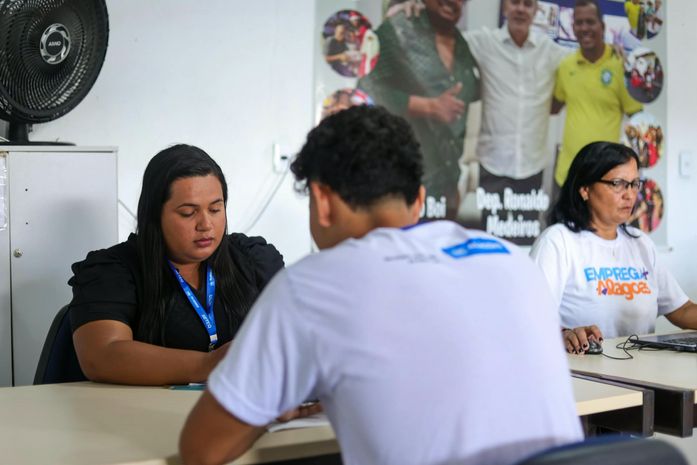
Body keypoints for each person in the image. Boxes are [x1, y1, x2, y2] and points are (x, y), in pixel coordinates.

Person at [179, 106, 582, 465]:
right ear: (419, 199)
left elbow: (202, 450)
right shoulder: (511, 260)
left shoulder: (313, 284)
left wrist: (267, 404)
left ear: (322, 200)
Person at [68, 144, 283, 385]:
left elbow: (295, 333)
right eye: (188, 213)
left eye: (215, 209)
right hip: (138, 415)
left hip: (242, 410)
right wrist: (209, 365)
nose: (206, 224)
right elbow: (102, 356)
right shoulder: (113, 271)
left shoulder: (253, 259)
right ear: (154, 216)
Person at [530, 142, 697, 354]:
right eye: (618, 183)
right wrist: (564, 334)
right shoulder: (558, 242)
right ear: (585, 189)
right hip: (583, 377)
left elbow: (681, 310)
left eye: (635, 183)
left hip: (644, 374)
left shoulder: (640, 243)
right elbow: (530, 319)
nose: (630, 195)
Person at [357, 0, 480, 220]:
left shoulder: (463, 46)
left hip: (446, 187)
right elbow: (367, 88)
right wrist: (428, 107)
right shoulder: (399, 28)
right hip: (400, 186)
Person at [462, 0, 568, 243]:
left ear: (536, 11)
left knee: (525, 241)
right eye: (515, 2)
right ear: (504, 8)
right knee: (492, 241)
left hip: (532, 166)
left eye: (528, 4)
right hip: (493, 166)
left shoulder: (550, 51)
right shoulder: (484, 43)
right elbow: (446, 38)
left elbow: (584, 61)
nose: (521, 9)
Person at [553, 0, 643, 187]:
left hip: (604, 179)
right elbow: (554, 106)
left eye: (590, 21)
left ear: (602, 26)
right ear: (573, 27)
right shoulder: (566, 66)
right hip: (568, 175)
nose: (584, 28)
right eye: (579, 22)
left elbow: (637, 117)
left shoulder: (620, 65)